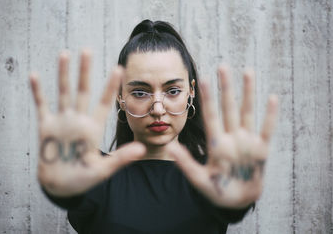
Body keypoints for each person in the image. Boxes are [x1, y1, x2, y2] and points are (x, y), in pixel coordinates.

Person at [29, 20, 278, 234]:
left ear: (191, 92)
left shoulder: (214, 173)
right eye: (140, 92)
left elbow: (231, 203)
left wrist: (239, 193)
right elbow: (71, 192)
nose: (158, 109)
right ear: (120, 96)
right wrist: (60, 182)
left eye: (172, 91)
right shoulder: (94, 172)